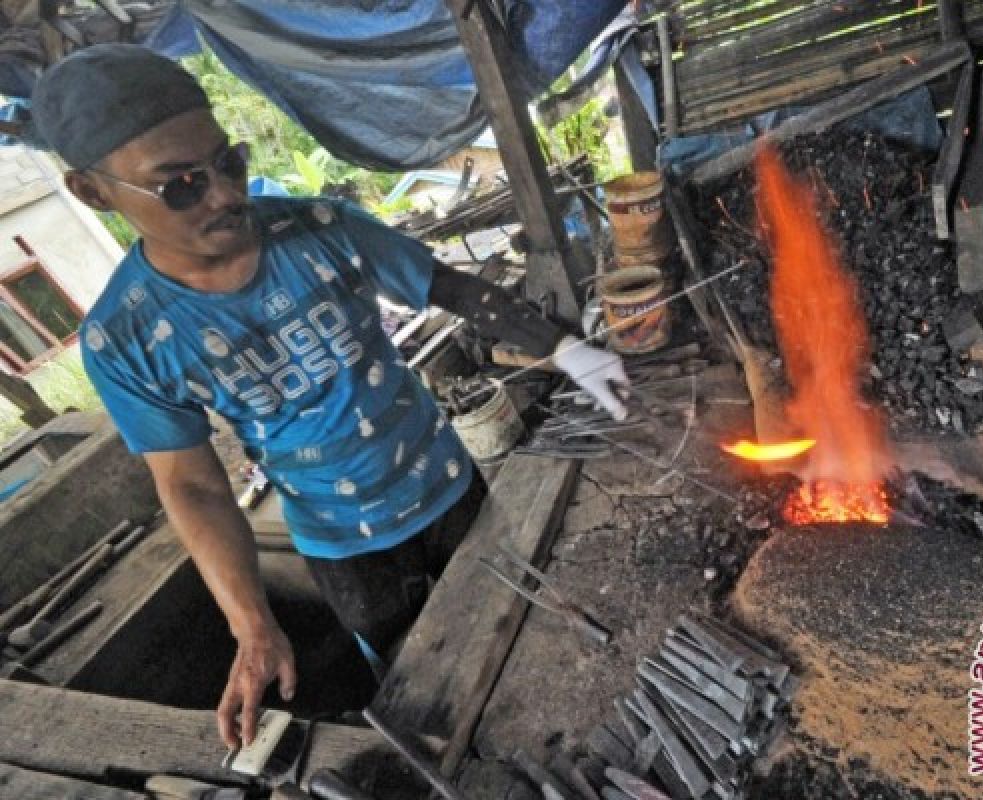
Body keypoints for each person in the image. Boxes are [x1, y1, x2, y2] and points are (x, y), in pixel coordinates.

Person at [30, 44, 630, 749]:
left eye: (230, 162)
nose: (227, 195)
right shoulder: (126, 337)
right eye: (182, 185)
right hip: (342, 546)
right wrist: (253, 625)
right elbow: (192, 484)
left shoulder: (321, 232)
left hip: (446, 486)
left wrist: (563, 347)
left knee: (516, 617)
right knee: (424, 682)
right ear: (93, 192)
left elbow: (450, 287)